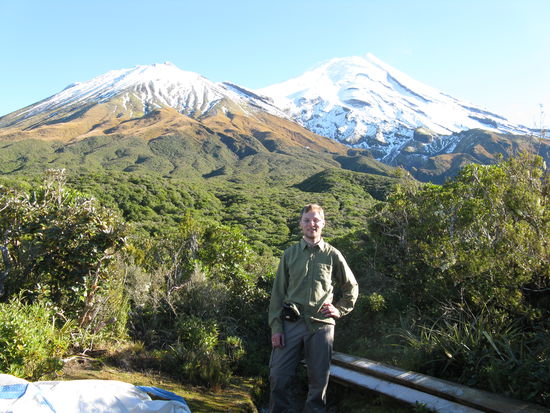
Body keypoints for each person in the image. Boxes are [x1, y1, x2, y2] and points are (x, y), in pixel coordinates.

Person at [268, 204, 359, 412]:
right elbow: (278, 295)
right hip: (291, 323)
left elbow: (351, 286)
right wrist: (276, 328)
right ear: (300, 224)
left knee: (319, 382)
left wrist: (340, 309)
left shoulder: (332, 254)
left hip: (321, 326)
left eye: (316, 220)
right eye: (307, 220)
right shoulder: (289, 255)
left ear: (323, 223)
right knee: (278, 376)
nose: (312, 224)